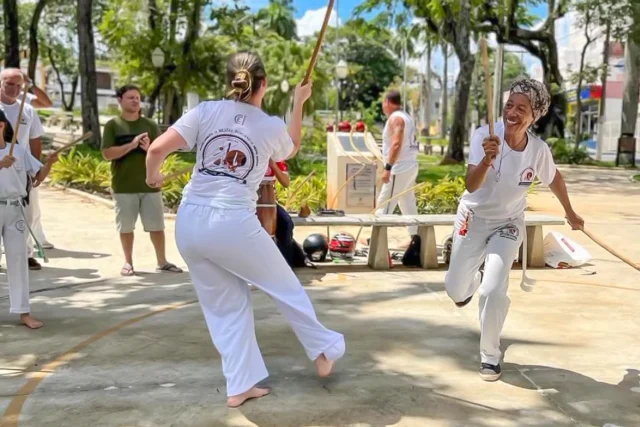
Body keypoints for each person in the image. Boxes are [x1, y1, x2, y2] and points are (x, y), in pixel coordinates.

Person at [145, 51, 345, 408]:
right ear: (263, 84)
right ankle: (324, 349)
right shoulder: (268, 125)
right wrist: (299, 102)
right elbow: (293, 147)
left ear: (231, 81)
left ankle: (240, 384)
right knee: (284, 287)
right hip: (230, 221)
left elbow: (157, 149)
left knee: (226, 306)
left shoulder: (204, 110)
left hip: (189, 223)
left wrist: (152, 176)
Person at [444, 78, 584, 382]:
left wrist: (570, 212)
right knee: (455, 289)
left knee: (494, 289)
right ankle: (470, 283)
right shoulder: (485, 135)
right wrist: (486, 160)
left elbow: (554, 178)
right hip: (473, 217)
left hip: (508, 224)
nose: (513, 112)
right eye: (510, 105)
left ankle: (490, 356)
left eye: (522, 108)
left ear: (535, 115)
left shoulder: (537, 149)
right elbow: (471, 184)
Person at [101, 84, 182, 276]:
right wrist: (131, 145)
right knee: (126, 226)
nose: (136, 101)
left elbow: (161, 153)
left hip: (150, 185)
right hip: (124, 185)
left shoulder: (150, 125)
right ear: (120, 100)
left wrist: (148, 150)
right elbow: (106, 154)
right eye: (130, 97)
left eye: (137, 97)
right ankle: (128, 262)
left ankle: (162, 262)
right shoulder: (113, 125)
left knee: (157, 225)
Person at [0, 110, 58, 329]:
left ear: (1, 126)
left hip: (16, 209)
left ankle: (24, 312)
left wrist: (49, 163)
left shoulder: (20, 151)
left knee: (18, 260)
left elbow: (38, 177)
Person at [0, 68, 50, 270]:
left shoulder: (27, 109)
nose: (14, 89)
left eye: (18, 85)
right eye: (9, 84)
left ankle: (26, 253)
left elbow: (35, 140)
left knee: (26, 214)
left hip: (22, 168)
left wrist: (35, 169)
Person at [375, 90, 419, 238]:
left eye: (383, 103)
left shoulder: (396, 119)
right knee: (407, 204)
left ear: (387, 102)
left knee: (384, 205)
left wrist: (388, 167)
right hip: (410, 166)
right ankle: (416, 239)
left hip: (399, 168)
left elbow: (396, 144)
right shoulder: (406, 117)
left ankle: (376, 240)